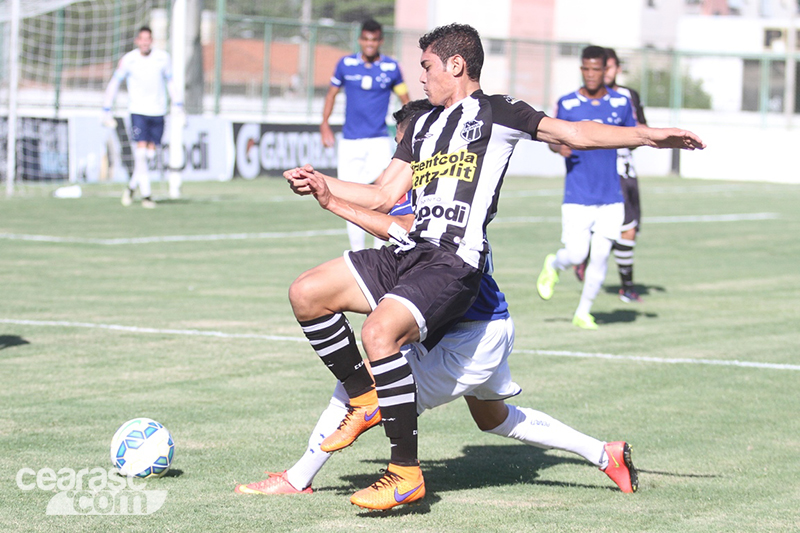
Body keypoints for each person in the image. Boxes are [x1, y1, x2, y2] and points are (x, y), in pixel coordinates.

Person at [284, 24, 702, 511]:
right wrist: (323, 186)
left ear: (456, 65)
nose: (421, 77)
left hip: (453, 268)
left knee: (380, 337)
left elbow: (573, 133)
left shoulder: (498, 112)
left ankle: (391, 472)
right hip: (418, 263)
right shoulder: (421, 126)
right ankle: (364, 400)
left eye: (427, 66)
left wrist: (649, 136)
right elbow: (382, 195)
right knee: (308, 293)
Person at [236, 100, 637, 500]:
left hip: (467, 335)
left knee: (363, 393)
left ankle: (298, 478)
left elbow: (401, 226)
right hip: (481, 321)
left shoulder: (431, 196)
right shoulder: (432, 186)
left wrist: (335, 202)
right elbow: (385, 206)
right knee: (495, 420)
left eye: (406, 148)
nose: (403, 159)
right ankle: (605, 454)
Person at [536, 46, 637, 330]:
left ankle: (583, 312)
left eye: (597, 69)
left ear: (606, 71)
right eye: (586, 69)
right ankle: (554, 265)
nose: (591, 74)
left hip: (611, 196)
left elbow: (633, 134)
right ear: (581, 69)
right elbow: (550, 138)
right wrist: (558, 148)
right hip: (578, 196)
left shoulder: (621, 103)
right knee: (578, 255)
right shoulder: (567, 104)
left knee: (602, 255)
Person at [320, 18, 410, 251]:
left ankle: (381, 250)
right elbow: (331, 95)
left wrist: (411, 131)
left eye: (374, 39)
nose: (370, 44)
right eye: (366, 39)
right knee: (350, 196)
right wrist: (324, 123)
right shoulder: (345, 64)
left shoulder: (391, 68)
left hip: (379, 140)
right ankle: (357, 251)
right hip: (350, 141)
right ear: (360, 40)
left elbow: (405, 100)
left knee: (385, 193)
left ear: (380, 40)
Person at [103, 26, 182, 209]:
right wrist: (106, 109)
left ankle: (131, 188)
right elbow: (114, 83)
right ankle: (146, 195)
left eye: (148, 39)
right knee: (140, 152)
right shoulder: (129, 60)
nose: (145, 42)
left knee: (149, 155)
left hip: (158, 112)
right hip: (138, 111)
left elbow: (170, 82)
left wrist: (178, 105)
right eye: (142, 39)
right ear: (137, 41)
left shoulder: (163, 58)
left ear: (151, 41)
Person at [605, 48, 647, 303]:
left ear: (617, 69)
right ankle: (627, 287)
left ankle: (587, 257)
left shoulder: (628, 96)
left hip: (627, 170)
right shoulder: (585, 99)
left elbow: (641, 128)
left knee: (630, 229)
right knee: (625, 230)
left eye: (608, 67)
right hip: (606, 173)